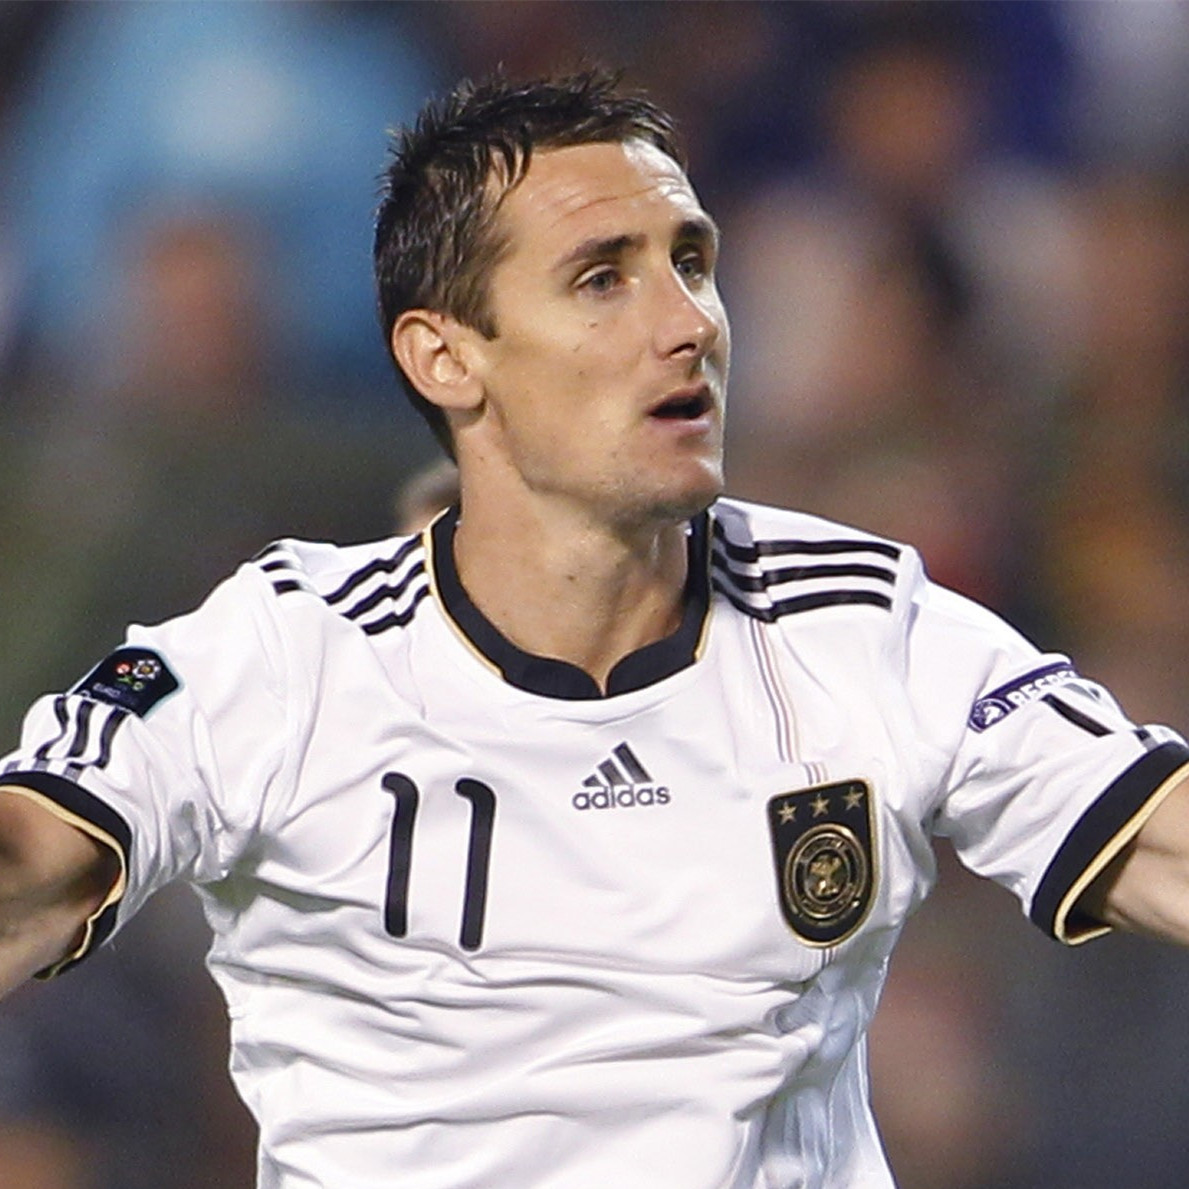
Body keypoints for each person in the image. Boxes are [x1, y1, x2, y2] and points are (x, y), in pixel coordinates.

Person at [1, 68, 1188, 1189]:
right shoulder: (287, 656)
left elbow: (1156, 837)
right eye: (601, 278)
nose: (688, 323)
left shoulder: (861, 624)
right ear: (445, 356)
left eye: (691, 262)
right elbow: (34, 869)